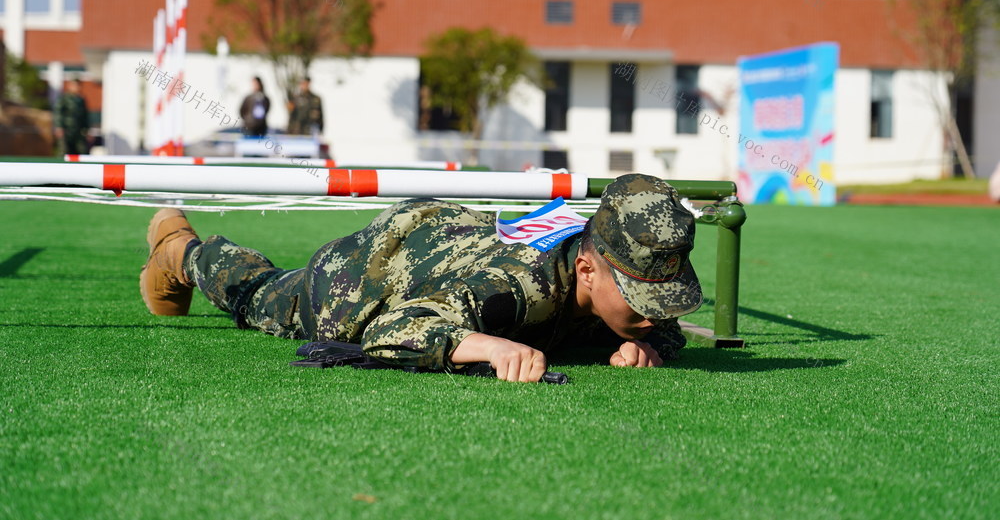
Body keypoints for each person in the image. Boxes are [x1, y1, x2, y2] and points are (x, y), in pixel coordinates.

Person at [139, 174, 702, 382]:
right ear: (586, 268)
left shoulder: (604, 255)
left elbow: (662, 326)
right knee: (268, 298)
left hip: (447, 241)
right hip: (373, 272)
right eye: (641, 299)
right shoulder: (513, 291)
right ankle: (181, 248)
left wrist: (647, 343)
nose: (654, 312)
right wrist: (477, 343)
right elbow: (392, 330)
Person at [54, 78, 89, 155]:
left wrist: (86, 130)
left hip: (78, 131)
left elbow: (85, 116)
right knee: (64, 151)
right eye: (75, 85)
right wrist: (59, 127)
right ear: (70, 86)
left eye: (78, 86)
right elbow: (58, 112)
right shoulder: (64, 98)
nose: (77, 88)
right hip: (66, 130)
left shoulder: (81, 100)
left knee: (82, 151)